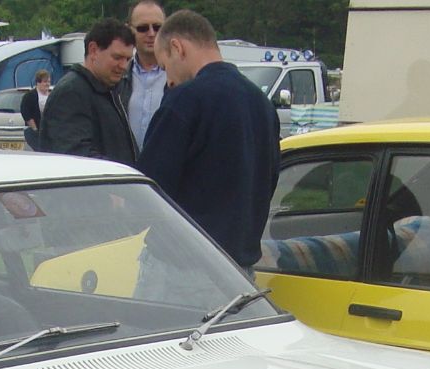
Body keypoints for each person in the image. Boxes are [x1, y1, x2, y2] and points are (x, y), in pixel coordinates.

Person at [138, 11, 279, 269]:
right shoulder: (262, 104)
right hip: (238, 270)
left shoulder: (184, 101)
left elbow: (148, 190)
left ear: (177, 47)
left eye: (164, 66)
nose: (167, 79)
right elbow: (268, 181)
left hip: (180, 267)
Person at [39, 19, 136, 165]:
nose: (124, 66)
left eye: (128, 59)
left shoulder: (109, 90)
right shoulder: (71, 94)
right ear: (93, 50)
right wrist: (121, 175)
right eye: (117, 57)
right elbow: (75, 158)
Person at [120, 0, 167, 150]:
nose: (151, 33)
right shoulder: (117, 78)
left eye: (157, 27)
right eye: (142, 28)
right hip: (127, 169)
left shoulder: (181, 78)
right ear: (129, 30)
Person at [19, 68, 51, 150]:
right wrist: (35, 128)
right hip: (34, 132)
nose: (47, 84)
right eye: (45, 82)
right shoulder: (29, 96)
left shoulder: (52, 95)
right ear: (38, 83)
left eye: (49, 82)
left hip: (50, 132)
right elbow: (26, 113)